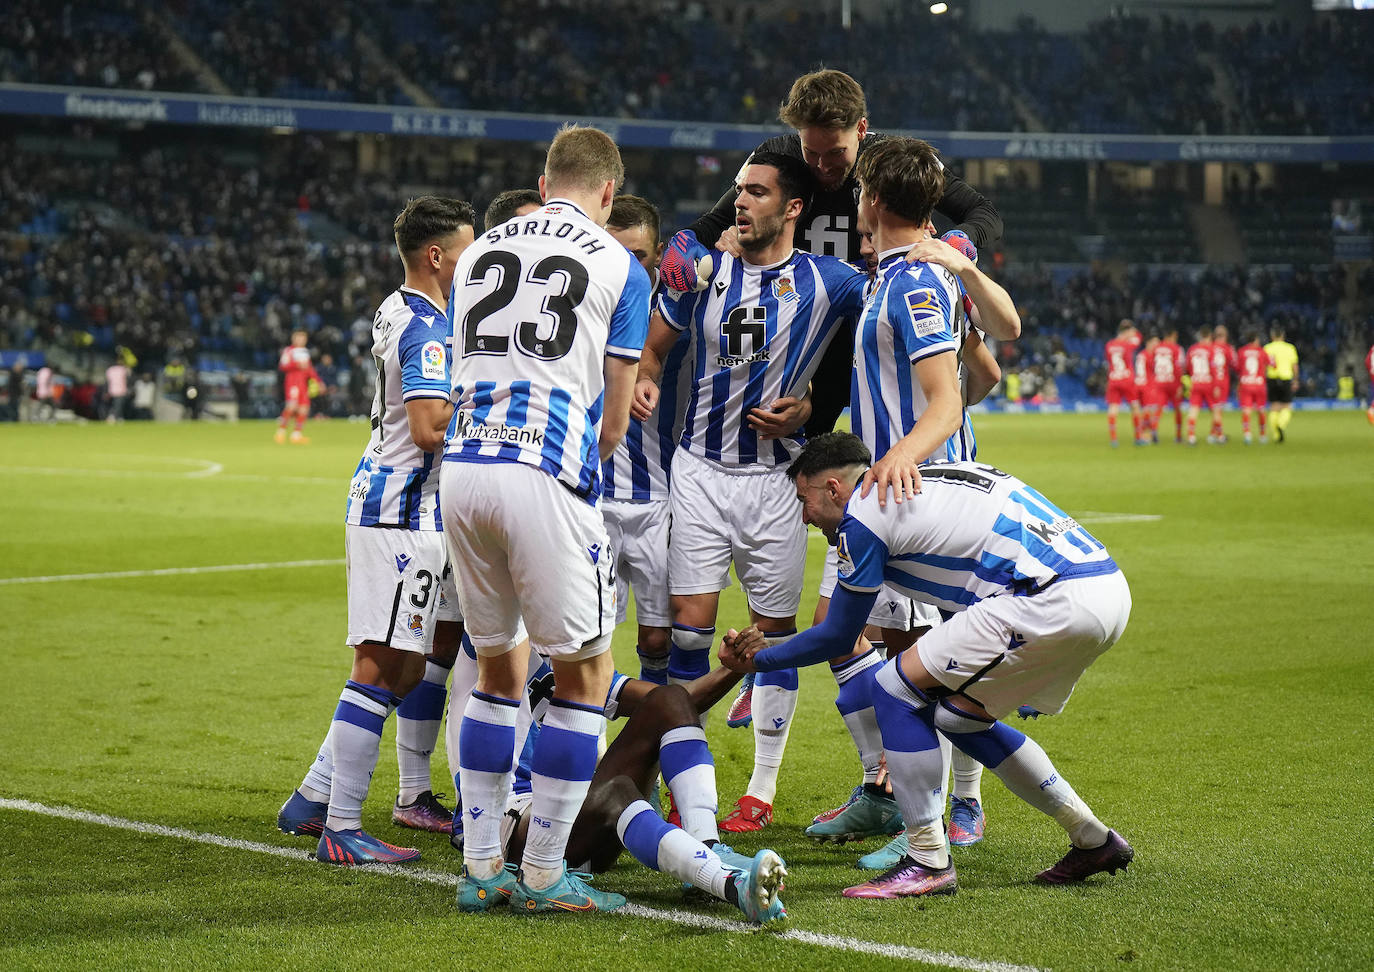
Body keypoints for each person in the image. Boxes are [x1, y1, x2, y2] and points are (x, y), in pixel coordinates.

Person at [721, 431, 1135, 898]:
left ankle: (927, 860)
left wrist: (760, 659)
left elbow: (839, 634)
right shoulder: (929, 476)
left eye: (805, 500)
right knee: (960, 719)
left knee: (892, 689)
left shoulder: (863, 517)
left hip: (1047, 598)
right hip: (1105, 588)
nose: (804, 516)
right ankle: (1092, 838)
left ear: (833, 489)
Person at [442, 125, 651, 915]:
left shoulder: (482, 251)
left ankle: (482, 867)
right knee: (584, 675)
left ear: (542, 180)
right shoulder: (618, 264)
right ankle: (543, 875)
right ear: (607, 192)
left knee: (496, 670)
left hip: (463, 469)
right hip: (545, 470)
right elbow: (616, 406)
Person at [633, 151, 863, 834]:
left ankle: (759, 792)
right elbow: (652, 350)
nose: (741, 203)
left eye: (757, 193)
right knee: (688, 632)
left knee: (774, 638)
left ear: (792, 208)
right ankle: (686, 788)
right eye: (738, 192)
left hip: (776, 483)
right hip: (700, 471)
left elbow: (871, 345)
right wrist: (647, 378)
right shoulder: (702, 272)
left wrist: (815, 401)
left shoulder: (833, 282)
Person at [805, 140, 1019, 857]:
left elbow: (952, 394)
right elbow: (986, 364)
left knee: (919, 657)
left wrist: (915, 445)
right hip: (887, 493)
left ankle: (950, 808)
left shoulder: (918, 280)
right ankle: (886, 788)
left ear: (869, 200)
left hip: (916, 497)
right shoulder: (893, 275)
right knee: (846, 633)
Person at [277, 196, 477, 863]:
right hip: (401, 512)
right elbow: (426, 428)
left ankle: (313, 797)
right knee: (379, 662)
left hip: (397, 506)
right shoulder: (425, 328)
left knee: (409, 664)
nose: (477, 263)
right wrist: (493, 418)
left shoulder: (404, 307)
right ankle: (341, 827)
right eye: (468, 251)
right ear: (437, 256)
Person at [666, 69, 1006, 439]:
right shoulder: (775, 156)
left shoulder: (891, 162)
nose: (823, 166)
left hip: (880, 313)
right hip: (804, 324)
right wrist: (684, 243)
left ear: (861, 129)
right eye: (811, 152)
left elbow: (983, 213)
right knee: (791, 454)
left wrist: (956, 243)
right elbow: (716, 221)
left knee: (901, 435)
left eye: (835, 153)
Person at [469, 659, 787, 923]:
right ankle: (728, 884)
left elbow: (673, 699)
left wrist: (733, 667)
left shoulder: (558, 644)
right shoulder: (499, 641)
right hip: (512, 820)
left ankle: (707, 846)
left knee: (670, 699)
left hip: (574, 809)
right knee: (617, 792)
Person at [599, 195, 682, 687]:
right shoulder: (583, 311)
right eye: (617, 254)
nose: (628, 267)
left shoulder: (676, 322)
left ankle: (649, 741)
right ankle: (587, 749)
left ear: (660, 254)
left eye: (640, 256)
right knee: (590, 637)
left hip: (661, 500)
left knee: (658, 639)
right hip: (595, 500)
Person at [1103, 319, 1143, 447]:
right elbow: (1138, 338)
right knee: (1135, 407)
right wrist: (1133, 330)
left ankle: (1113, 439)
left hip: (1114, 379)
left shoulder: (1109, 345)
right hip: (1127, 379)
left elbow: (1108, 360)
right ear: (1126, 332)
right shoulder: (1127, 345)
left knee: (1113, 408)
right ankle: (1138, 437)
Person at [275, 329, 320, 443]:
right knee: (291, 407)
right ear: (293, 339)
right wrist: (296, 364)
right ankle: (281, 431)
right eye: (299, 338)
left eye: (303, 338)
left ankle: (296, 434)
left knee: (304, 408)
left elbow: (309, 368)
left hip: (303, 384)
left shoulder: (305, 351)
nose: (301, 340)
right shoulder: (289, 351)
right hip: (292, 382)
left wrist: (317, 380)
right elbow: (283, 366)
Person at [1143, 326, 1185, 444]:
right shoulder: (1177, 349)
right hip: (1172, 381)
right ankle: (1178, 435)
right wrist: (1180, 385)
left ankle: (1154, 430)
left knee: (1159, 408)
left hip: (1159, 381)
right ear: (1173, 336)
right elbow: (1179, 367)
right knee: (1177, 409)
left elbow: (1151, 363)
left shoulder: (1157, 348)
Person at [1263, 326, 1299, 443]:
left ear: (1272, 336)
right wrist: (1295, 379)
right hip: (1285, 378)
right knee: (1287, 406)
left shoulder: (1267, 348)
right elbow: (1294, 366)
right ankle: (1281, 425)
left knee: (1274, 407)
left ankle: (1276, 434)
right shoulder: (1290, 348)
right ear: (1283, 336)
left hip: (1272, 379)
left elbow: (1263, 366)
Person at [1236, 331, 1272, 444]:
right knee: (1261, 409)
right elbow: (1272, 364)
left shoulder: (1241, 352)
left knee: (1246, 410)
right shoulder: (1261, 351)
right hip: (1259, 384)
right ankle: (1262, 435)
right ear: (1256, 339)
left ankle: (1247, 434)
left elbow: (1237, 368)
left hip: (1246, 383)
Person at [1207, 324, 1238, 444]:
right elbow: (1235, 365)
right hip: (1222, 382)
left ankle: (1213, 434)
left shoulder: (1209, 347)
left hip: (1209, 381)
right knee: (1218, 410)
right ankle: (1218, 435)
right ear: (1226, 336)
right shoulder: (1228, 348)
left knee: (1216, 410)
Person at [1184, 328, 1215, 446]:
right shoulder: (1211, 349)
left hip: (1196, 382)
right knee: (1215, 410)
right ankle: (1216, 434)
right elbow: (1213, 368)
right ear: (1208, 337)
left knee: (1193, 410)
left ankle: (1191, 436)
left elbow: (1187, 367)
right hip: (1208, 383)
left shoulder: (1192, 350)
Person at [104, 358, 130, 423]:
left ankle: (119, 417)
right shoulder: (123, 369)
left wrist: (106, 391)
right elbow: (128, 377)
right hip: (121, 390)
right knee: (118, 405)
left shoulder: (110, 370)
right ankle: (111, 417)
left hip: (112, 390)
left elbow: (107, 381)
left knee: (116, 404)